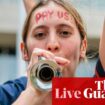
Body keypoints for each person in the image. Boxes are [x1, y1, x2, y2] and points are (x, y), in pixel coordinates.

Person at [0, 0, 105, 105]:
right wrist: (33, 93)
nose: (52, 44)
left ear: (83, 46)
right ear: (24, 51)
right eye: (40, 34)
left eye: (65, 32)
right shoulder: (6, 95)